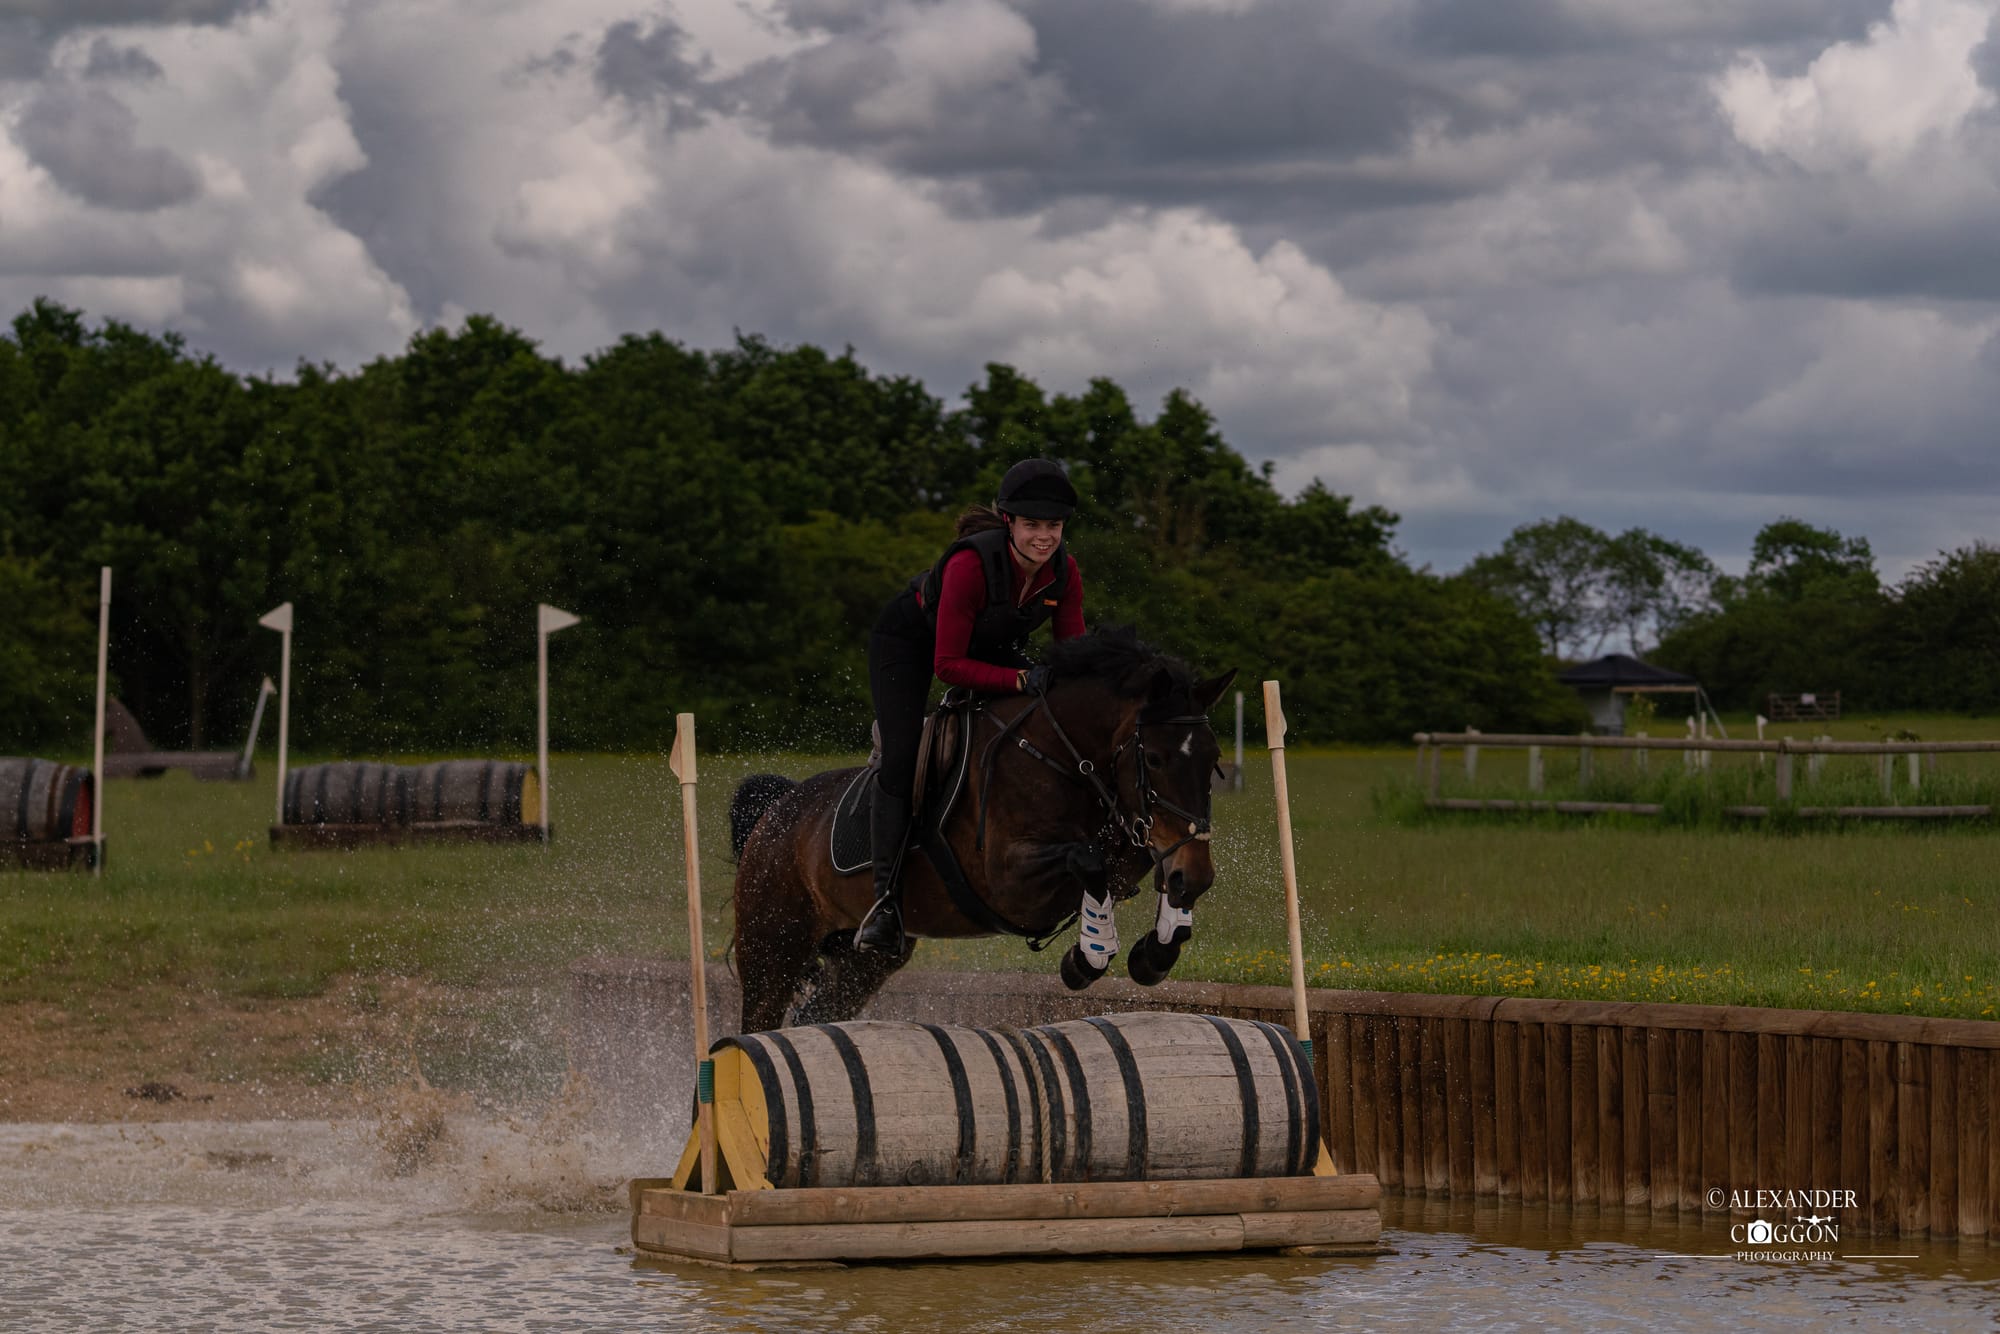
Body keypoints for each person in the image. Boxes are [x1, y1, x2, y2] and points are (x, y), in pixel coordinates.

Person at [854, 457, 1087, 954]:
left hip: (988, 649)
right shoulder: (969, 565)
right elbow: (949, 666)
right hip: (911, 647)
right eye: (1032, 526)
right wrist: (1023, 677)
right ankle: (885, 906)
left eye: (1054, 526)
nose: (1044, 537)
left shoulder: (1064, 574)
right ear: (1009, 523)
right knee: (902, 757)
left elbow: (1075, 658)